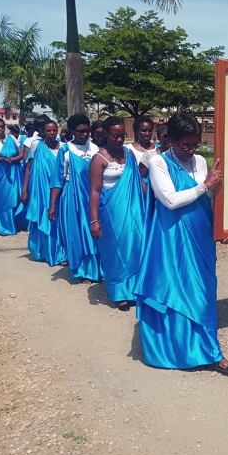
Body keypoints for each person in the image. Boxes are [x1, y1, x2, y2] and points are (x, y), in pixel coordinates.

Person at [134, 113, 228, 375]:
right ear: (171, 140)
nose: (191, 150)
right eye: (185, 145)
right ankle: (190, 351)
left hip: (200, 234)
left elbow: (210, 200)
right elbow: (169, 200)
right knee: (179, 290)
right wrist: (205, 185)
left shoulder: (201, 161)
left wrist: (221, 228)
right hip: (172, 236)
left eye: (195, 144)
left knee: (203, 290)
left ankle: (203, 347)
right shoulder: (159, 161)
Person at [88, 117, 145, 310]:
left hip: (133, 211)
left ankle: (134, 289)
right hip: (111, 212)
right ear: (106, 134)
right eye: (115, 136)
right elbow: (95, 191)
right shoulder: (99, 159)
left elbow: (138, 182)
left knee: (135, 246)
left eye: (122, 135)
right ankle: (119, 292)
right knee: (115, 250)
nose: (119, 139)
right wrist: (94, 220)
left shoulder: (129, 154)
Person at [48, 114, 102, 283]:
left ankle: (97, 269)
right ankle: (82, 270)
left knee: (94, 232)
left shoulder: (95, 149)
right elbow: (58, 179)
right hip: (72, 197)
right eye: (81, 131)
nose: (85, 134)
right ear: (72, 131)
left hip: (92, 196)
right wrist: (52, 204)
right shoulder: (66, 150)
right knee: (78, 234)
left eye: (87, 131)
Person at [22, 120, 67, 265]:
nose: (52, 133)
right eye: (49, 131)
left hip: (60, 189)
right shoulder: (36, 145)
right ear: (43, 132)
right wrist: (24, 190)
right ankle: (43, 250)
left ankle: (61, 252)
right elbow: (29, 168)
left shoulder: (64, 147)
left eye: (55, 130)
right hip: (41, 188)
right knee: (44, 217)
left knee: (60, 219)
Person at [0, 117, 26, 236]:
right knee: (2, 199)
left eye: (2, 126)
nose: (0, 129)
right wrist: (1, 159)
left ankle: (18, 223)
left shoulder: (11, 138)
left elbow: (21, 155)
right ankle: (5, 227)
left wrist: (11, 159)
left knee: (15, 197)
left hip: (13, 172)